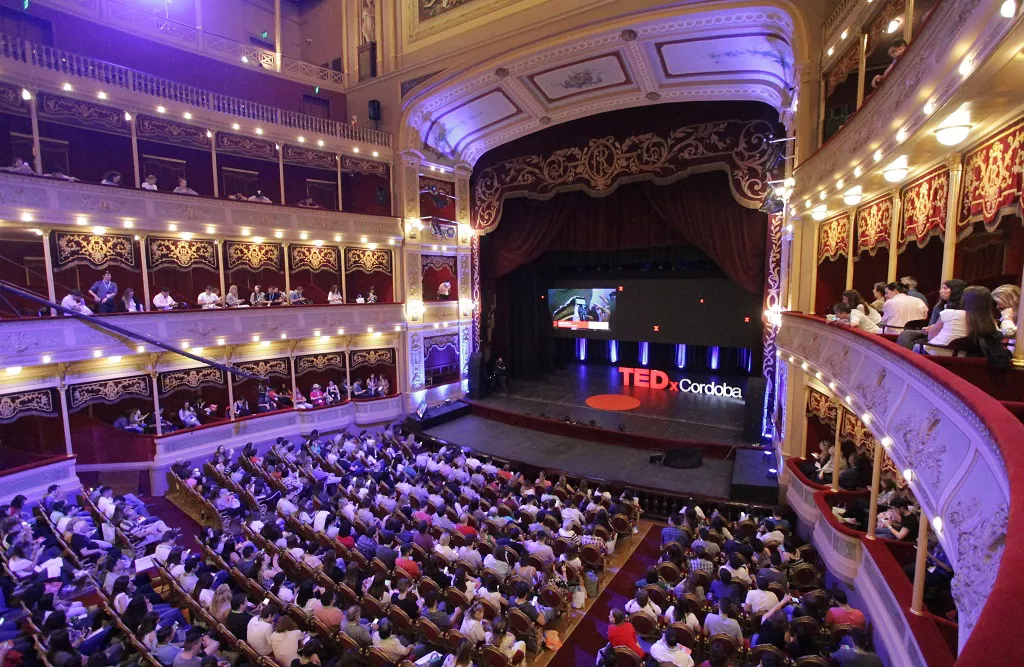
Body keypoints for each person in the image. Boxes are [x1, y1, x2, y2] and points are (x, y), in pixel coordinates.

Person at [897, 279, 966, 351]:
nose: (940, 291)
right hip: (933, 332)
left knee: (911, 338)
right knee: (907, 334)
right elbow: (931, 324)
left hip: (946, 337)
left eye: (945, 288)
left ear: (956, 291)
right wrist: (929, 328)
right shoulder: (939, 306)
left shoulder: (963, 309)